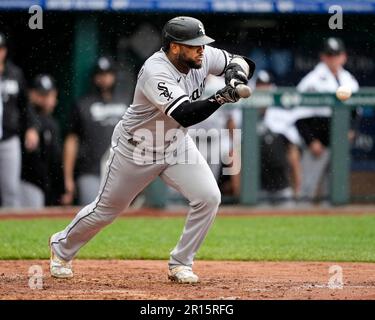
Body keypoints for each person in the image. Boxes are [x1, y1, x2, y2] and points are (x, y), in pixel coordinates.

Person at [49, 16, 255, 283]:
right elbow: (184, 114)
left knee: (208, 197)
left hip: (176, 145)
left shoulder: (202, 57)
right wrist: (220, 97)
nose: (201, 49)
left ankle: (181, 262)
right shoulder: (154, 71)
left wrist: (235, 76)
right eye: (194, 45)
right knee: (106, 210)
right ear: (174, 47)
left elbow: (243, 61)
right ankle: (61, 246)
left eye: (202, 44)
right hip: (136, 149)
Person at [294, 38, 359, 201]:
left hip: (339, 142)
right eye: (330, 55)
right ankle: (301, 219)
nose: (333, 58)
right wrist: (311, 141)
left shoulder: (349, 79)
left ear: (343, 56)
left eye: (336, 54)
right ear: (323, 57)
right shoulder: (311, 80)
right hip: (317, 143)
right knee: (308, 188)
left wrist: (351, 130)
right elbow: (299, 115)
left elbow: (356, 112)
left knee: (336, 189)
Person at [61, 56, 128, 206]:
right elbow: (71, 141)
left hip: (121, 173)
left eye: (108, 74)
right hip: (90, 171)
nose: (104, 79)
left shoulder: (126, 103)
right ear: (94, 78)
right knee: (90, 214)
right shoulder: (83, 104)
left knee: (121, 219)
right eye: (100, 75)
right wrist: (68, 178)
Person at [0, 32, 39, 208]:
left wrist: (31, 127)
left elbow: (25, 106)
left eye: (1, 48)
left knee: (10, 189)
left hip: (9, 138)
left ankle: (7, 232)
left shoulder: (14, 73)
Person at [256, 70, 302, 204]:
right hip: (257, 186)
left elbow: (294, 156)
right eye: (260, 86)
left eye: (266, 86)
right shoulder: (245, 116)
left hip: (282, 184)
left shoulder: (282, 115)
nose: (263, 90)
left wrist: (297, 188)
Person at [20, 74, 64, 208]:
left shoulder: (52, 122)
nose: (46, 100)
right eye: (41, 95)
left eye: (49, 95)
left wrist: (61, 187)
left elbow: (55, 159)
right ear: (31, 94)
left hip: (47, 185)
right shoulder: (23, 119)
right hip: (27, 182)